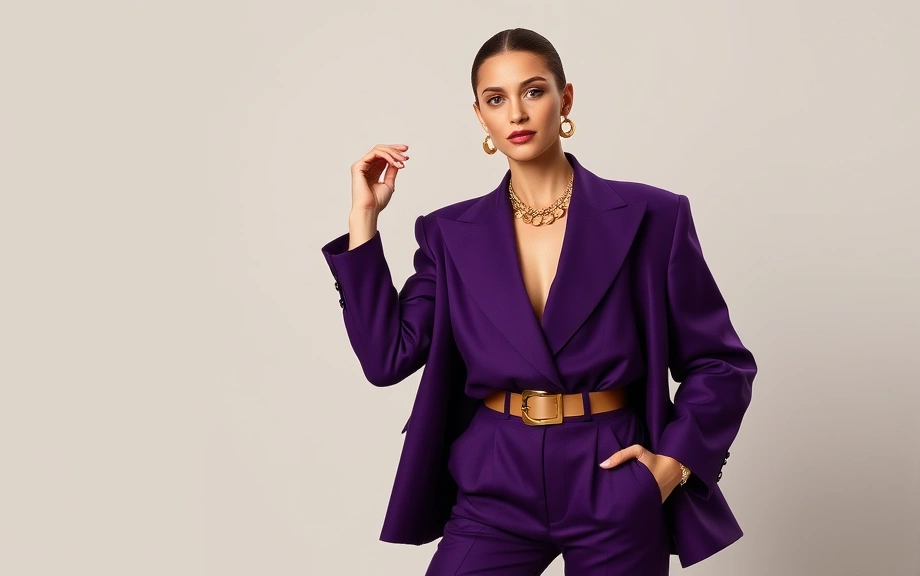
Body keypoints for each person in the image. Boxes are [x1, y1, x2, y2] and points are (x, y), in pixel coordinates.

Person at [320, 28, 757, 575]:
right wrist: (364, 220)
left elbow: (720, 361)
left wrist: (673, 465)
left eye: (534, 91)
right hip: (496, 473)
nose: (517, 114)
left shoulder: (653, 217)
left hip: (613, 470)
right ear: (480, 116)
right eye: (496, 99)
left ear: (565, 98)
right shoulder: (451, 234)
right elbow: (387, 359)